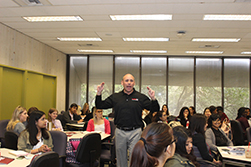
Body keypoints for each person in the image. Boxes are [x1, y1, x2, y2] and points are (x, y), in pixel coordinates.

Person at [95, 73, 160, 167]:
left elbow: (155, 109)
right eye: (126, 80)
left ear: (134, 83)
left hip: (136, 132)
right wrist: (99, 93)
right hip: (120, 131)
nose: (129, 83)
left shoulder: (140, 97)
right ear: (122, 83)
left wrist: (153, 98)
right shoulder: (116, 97)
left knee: (135, 158)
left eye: (131, 81)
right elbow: (100, 105)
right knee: (121, 159)